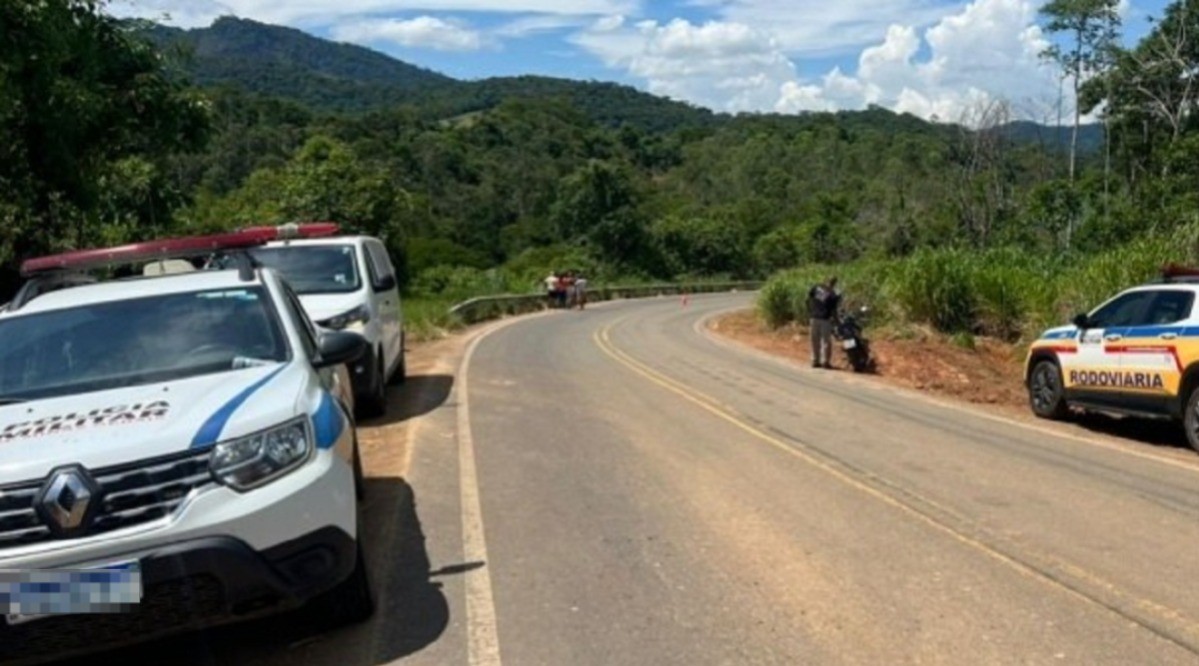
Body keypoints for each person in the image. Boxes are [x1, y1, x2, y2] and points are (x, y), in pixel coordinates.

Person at [808, 277, 841, 369]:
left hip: (814, 318)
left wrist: (811, 310)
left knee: (814, 340)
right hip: (825, 320)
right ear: (834, 284)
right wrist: (837, 321)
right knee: (826, 341)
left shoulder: (816, 287)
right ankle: (825, 362)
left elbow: (809, 299)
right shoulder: (833, 294)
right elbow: (834, 311)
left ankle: (815, 361)